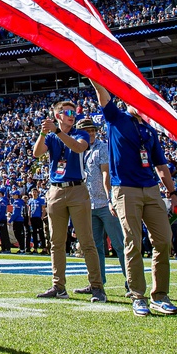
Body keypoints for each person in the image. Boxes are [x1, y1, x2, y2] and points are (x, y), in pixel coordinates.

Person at [90, 79, 177, 317]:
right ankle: (138, 296)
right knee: (133, 242)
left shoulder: (150, 130)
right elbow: (102, 91)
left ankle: (160, 295)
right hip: (125, 189)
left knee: (163, 240)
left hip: (151, 188)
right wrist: (92, 72)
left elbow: (160, 165)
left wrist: (173, 195)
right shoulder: (116, 118)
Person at [32, 100, 105, 302]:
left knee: (86, 241)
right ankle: (58, 286)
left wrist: (56, 132)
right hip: (55, 190)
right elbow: (36, 153)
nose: (72, 115)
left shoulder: (79, 133)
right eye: (66, 112)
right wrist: (43, 132)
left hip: (77, 189)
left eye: (73, 112)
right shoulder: (53, 136)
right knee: (56, 242)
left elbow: (79, 148)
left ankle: (97, 286)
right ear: (57, 115)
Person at [76, 118, 127, 296]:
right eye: (87, 131)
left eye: (92, 130)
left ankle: (130, 282)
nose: (91, 134)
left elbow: (106, 173)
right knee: (95, 247)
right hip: (87, 204)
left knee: (119, 244)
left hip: (104, 203)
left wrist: (110, 197)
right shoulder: (78, 149)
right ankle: (98, 283)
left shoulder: (102, 147)